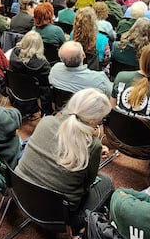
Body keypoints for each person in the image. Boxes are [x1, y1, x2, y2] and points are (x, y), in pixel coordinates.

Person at [17, 88, 115, 231]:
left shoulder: (46, 121)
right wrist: (93, 159)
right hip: (59, 217)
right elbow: (87, 184)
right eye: (100, 121)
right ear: (93, 121)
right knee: (106, 181)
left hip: (21, 195)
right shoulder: (92, 146)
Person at [9, 31, 52, 115]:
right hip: (35, 100)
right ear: (40, 45)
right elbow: (48, 82)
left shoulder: (13, 56)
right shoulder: (43, 66)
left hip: (16, 94)